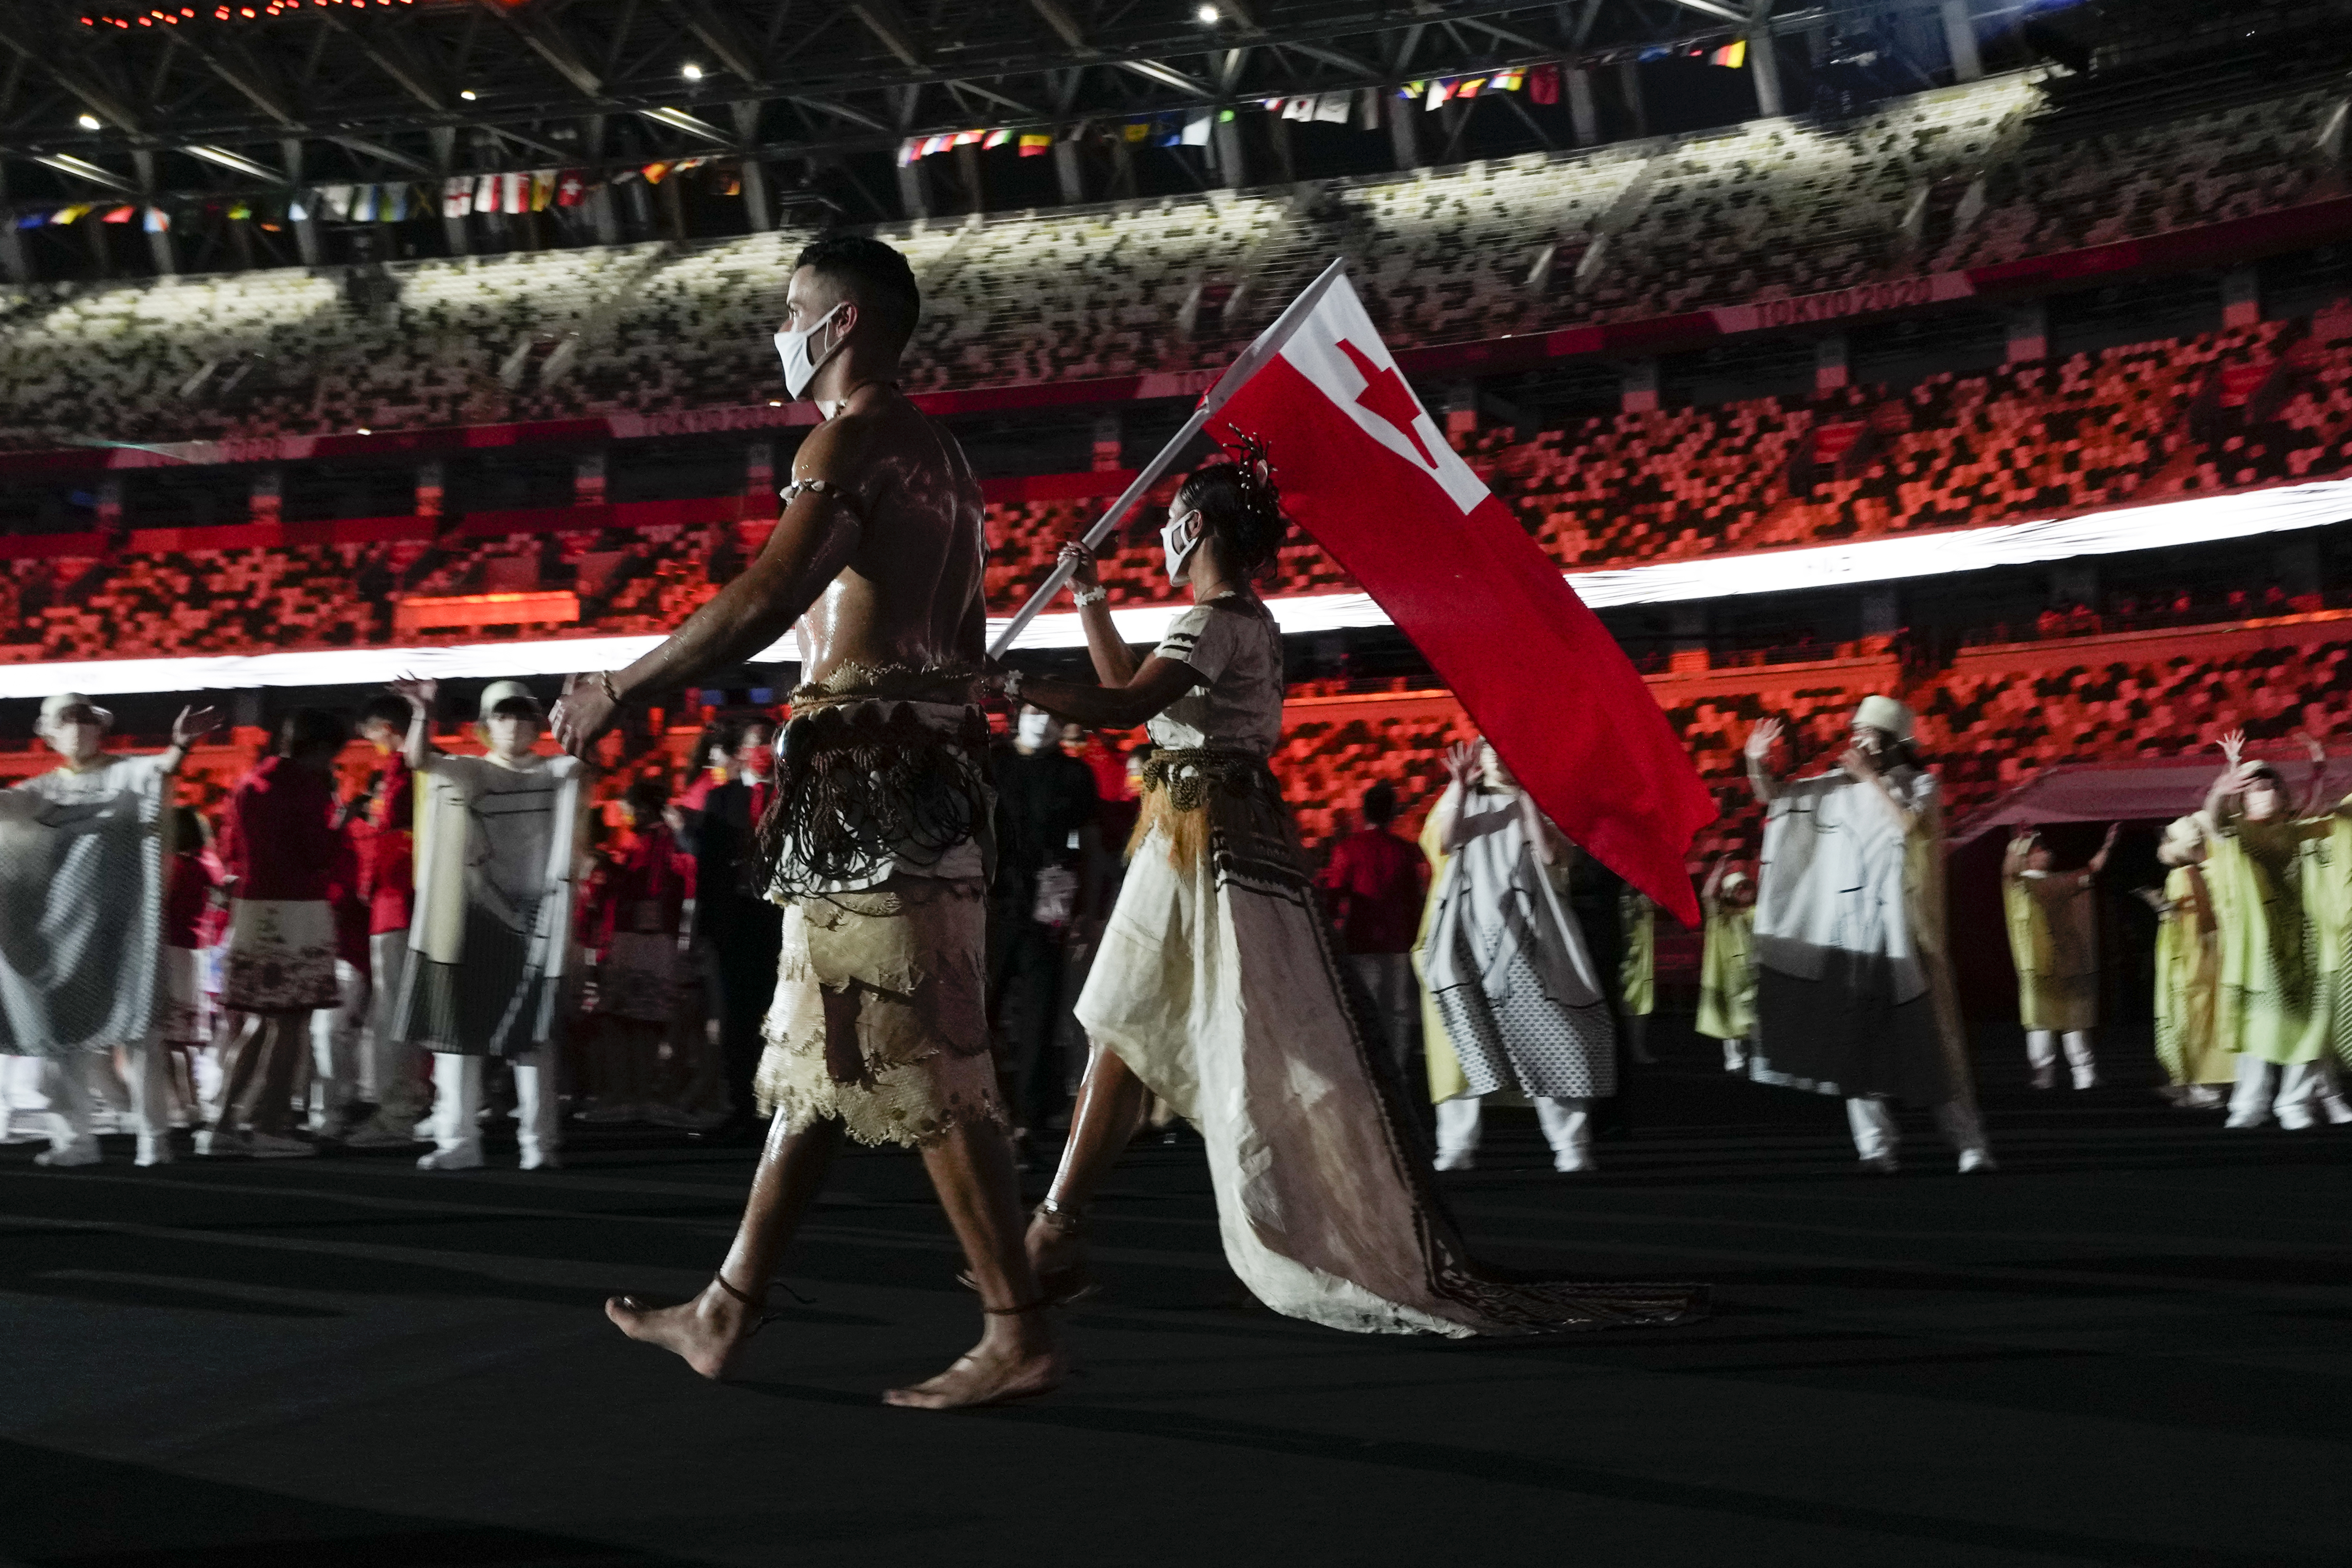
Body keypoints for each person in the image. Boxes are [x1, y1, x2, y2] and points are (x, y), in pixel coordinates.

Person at [1003, 452, 1702, 1335]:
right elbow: (1137, 706)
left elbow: (1125, 706)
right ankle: (1056, 1229)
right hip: (1200, 839)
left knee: (1183, 1035)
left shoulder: (1218, 622)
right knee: (1124, 1026)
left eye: (1175, 512)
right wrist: (1090, 599)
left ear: (1203, 527)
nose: (1164, 528)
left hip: (1202, 844)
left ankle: (1094, 1228)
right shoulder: (1232, 622)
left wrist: (1009, 683)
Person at [551, 234, 1061, 1408]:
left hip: (867, 781)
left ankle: (1013, 1325)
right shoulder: (942, 455)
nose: (779, 333)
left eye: (790, 312)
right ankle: (725, 1311)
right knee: (820, 1057)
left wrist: (621, 686)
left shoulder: (852, 440)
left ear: (837, 325)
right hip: (916, 773)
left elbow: (767, 595)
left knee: (919, 1049)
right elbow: (966, 645)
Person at [1743, 699, 1993, 1174]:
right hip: (1851, 934)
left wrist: (1870, 781)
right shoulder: (1836, 786)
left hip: (1904, 931)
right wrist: (1755, 760)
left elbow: (1908, 826)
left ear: (1895, 742)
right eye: (1854, 730)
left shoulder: (1921, 784)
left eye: (1868, 732)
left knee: (1933, 1040)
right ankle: (1875, 1147)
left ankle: (1970, 1143)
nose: (1857, 739)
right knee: (1856, 1039)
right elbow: (1772, 796)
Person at [0, 695, 220, 1167]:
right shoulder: (39, 791)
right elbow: (7, 811)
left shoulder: (130, 773)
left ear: (100, 729)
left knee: (142, 1034)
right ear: (49, 735)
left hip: (126, 930)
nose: (78, 727)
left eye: (85, 717)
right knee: (60, 1037)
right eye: (67, 719)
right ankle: (76, 1142)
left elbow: (163, 770)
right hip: (60, 938)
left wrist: (181, 746)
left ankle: (153, 1140)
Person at [390, 678, 587, 1172]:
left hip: (537, 921)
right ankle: (460, 1139)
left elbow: (591, 755)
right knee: (460, 1036)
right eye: (503, 714)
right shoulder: (469, 771)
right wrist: (422, 712)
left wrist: (579, 707)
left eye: (523, 714)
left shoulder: (559, 771)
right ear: (485, 724)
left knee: (533, 1037)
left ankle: (538, 1144)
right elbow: (419, 761)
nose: (514, 723)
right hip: (474, 919)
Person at [1420, 739, 1618, 1174]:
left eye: (1504, 749)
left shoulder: (1541, 803)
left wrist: (1530, 796)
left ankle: (1571, 1147)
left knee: (1557, 1039)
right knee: (1462, 1044)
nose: (1495, 757)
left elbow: (1551, 855)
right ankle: (1455, 1148)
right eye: (1487, 749)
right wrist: (1458, 787)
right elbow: (1446, 842)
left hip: (1533, 939)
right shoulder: (1460, 798)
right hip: (1465, 939)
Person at [202, 709, 350, 1159]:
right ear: (322, 749)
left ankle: (223, 1125)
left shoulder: (249, 782)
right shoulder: (307, 785)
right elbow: (318, 854)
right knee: (291, 1023)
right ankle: (271, 1124)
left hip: (253, 906)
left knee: (259, 1020)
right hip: (296, 909)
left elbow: (230, 850)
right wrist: (342, 820)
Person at [2202, 735, 2352, 1129]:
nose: (2262, 793)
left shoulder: (2298, 829)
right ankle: (2249, 1103)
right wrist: (2222, 787)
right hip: (2257, 949)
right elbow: (2213, 819)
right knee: (2258, 1025)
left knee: (2309, 1022)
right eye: (2253, 789)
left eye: (2269, 786)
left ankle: (2294, 1103)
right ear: (2243, 799)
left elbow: (2325, 807)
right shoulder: (2236, 833)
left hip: (2305, 941)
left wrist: (2318, 764)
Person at [988, 704, 1101, 1161]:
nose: (1044, 721)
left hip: (1047, 906)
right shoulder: (992, 763)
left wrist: (1087, 910)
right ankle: (988, 1112)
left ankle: (1026, 1122)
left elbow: (1090, 846)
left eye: (1054, 714)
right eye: (1036, 711)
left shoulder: (1075, 776)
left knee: (1039, 1021)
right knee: (976, 1016)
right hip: (990, 903)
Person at [675, 716, 785, 1140]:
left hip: (782, 922)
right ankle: (742, 1105)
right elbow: (708, 870)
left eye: (770, 743)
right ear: (740, 751)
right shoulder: (721, 800)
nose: (762, 752)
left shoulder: (799, 798)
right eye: (755, 743)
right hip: (734, 921)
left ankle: (781, 1109)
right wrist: (704, 929)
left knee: (783, 1017)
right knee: (736, 1020)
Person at [580, 778, 695, 1122]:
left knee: (622, 1021)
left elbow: (644, 885)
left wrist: (608, 867)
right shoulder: (666, 840)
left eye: (630, 809)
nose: (628, 816)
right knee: (643, 1022)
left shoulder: (654, 842)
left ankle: (624, 1096)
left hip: (637, 939)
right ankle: (639, 1095)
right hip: (653, 940)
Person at [343, 693, 425, 1149]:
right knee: (395, 1011)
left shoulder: (405, 769)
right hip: (396, 904)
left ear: (386, 729)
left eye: (371, 733)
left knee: (394, 1011)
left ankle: (399, 1111)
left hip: (397, 903)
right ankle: (408, 1102)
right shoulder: (412, 769)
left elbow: (390, 835)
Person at [1316, 780, 1428, 1077]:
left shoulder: (1348, 849)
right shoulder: (1406, 852)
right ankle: (1396, 1073)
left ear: (1362, 813)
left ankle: (1365, 1073)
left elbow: (1334, 896)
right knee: (1397, 1012)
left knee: (1364, 1012)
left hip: (1360, 942)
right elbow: (1416, 898)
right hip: (1398, 943)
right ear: (1394, 813)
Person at [2002, 823, 2118, 1091]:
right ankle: (2075, 1076)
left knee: (2056, 1022)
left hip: (2055, 965)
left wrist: (2108, 845)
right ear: (2027, 857)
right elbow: (2091, 871)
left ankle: (2065, 1076)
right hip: (2049, 967)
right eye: (2039, 849)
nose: (2046, 851)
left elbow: (2091, 871)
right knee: (2058, 1022)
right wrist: (2018, 842)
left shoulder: (2049, 883)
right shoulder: (2022, 886)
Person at [2147, 814, 2232, 1108]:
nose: (2162, 847)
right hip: (2194, 959)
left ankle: (2203, 1086)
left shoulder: (2189, 874)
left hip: (2194, 962)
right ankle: (2188, 1082)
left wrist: (2167, 909)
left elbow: (2204, 923)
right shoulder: (2204, 871)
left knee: (2194, 1023)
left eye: (2167, 841)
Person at [1696, 856, 1758, 1073]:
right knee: (1731, 1016)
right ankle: (1735, 1058)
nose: (1744, 891)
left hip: (1753, 973)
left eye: (1746, 887)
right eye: (1739, 888)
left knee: (1754, 1015)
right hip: (1730, 975)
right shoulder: (1721, 916)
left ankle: (1756, 1057)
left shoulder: (1755, 912)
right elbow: (1707, 896)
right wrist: (1719, 871)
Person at [1620, 889, 1658, 1066]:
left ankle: (1637, 1049)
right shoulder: (1625, 899)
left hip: (1644, 961)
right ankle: (1633, 1051)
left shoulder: (1643, 895)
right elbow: (1625, 930)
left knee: (1642, 1007)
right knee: (1629, 1006)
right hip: (1629, 961)